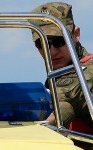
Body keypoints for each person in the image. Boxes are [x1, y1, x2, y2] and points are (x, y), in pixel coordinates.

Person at [32, 2, 93, 132]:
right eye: (42, 43)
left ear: (75, 34)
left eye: (59, 41)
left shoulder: (85, 74)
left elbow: (64, 107)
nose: (52, 52)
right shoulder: (58, 74)